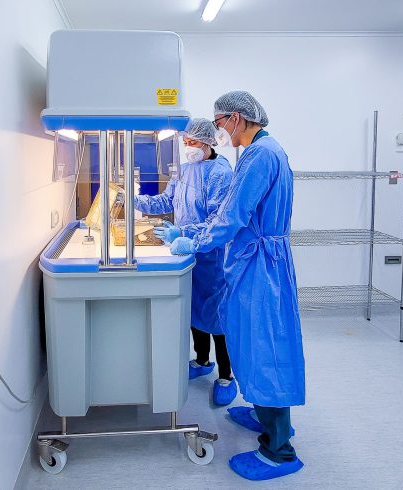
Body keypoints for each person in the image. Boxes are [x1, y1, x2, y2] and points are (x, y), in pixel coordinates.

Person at [170, 92, 306, 481]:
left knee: (266, 350)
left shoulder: (260, 156)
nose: (218, 132)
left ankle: (279, 449)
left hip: (260, 265)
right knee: (250, 342)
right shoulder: (259, 152)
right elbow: (231, 213)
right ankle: (264, 412)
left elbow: (230, 217)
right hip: (255, 260)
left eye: (220, 124)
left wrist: (192, 240)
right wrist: (187, 230)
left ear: (235, 117)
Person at [134, 118, 237, 405]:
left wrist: (183, 231)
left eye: (193, 142)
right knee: (194, 311)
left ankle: (226, 376)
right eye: (185, 142)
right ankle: (202, 361)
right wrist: (135, 200)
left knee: (216, 316)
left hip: (213, 256)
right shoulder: (183, 170)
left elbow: (217, 220)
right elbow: (167, 202)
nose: (188, 147)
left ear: (208, 142)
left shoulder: (220, 173)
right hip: (188, 253)